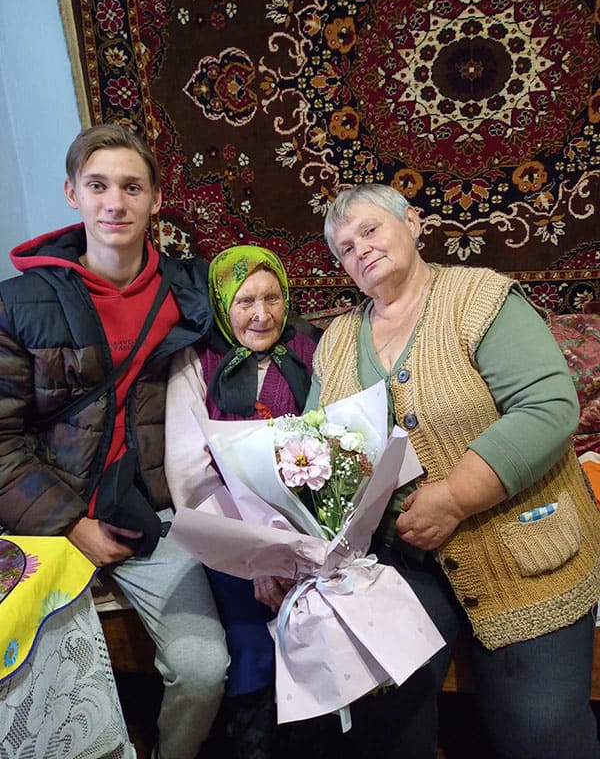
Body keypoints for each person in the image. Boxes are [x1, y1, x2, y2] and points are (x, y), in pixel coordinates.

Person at [302, 183, 600, 759]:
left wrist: (456, 498)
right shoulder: (334, 343)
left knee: (541, 732)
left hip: (520, 549)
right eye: (345, 248)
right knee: (381, 715)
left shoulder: (480, 298)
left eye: (370, 230)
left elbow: (548, 407)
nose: (360, 250)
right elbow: (318, 457)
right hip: (400, 561)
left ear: (413, 224)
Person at [0, 124, 229, 759]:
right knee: (31, 688)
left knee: (204, 669)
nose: (114, 203)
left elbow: (263, 331)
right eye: (98, 186)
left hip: (154, 517)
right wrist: (70, 524)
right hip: (43, 523)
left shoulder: (192, 292)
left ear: (155, 198)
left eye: (132, 187)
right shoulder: (18, 304)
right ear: (71, 193)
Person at [165, 245, 320, 759]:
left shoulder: (310, 351)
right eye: (245, 300)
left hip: (307, 533)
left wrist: (300, 541)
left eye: (272, 298)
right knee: (252, 642)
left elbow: (336, 441)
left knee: (315, 631)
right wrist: (256, 556)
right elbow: (190, 472)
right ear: (221, 302)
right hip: (230, 540)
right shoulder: (196, 362)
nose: (262, 314)